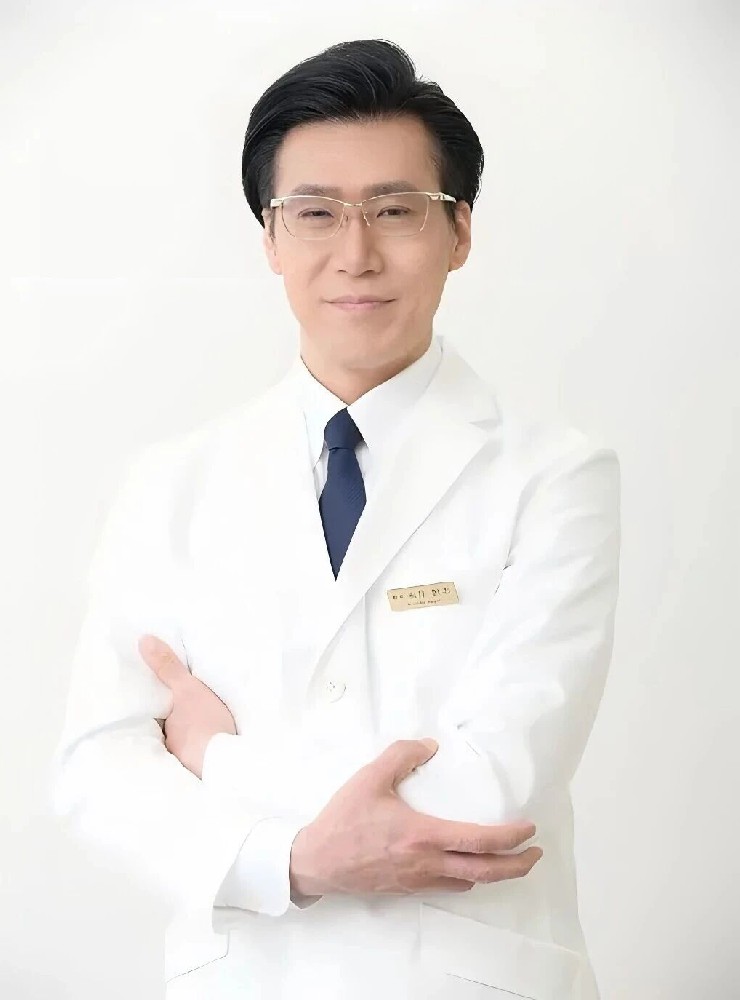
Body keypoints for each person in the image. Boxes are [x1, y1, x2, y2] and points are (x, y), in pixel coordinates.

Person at [50, 38, 621, 1000]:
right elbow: (98, 772)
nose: (355, 253)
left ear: (460, 231)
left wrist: (216, 759)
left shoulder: (554, 477)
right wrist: (289, 864)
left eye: (396, 210)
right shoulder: (169, 485)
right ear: (271, 240)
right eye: (315, 213)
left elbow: (492, 785)